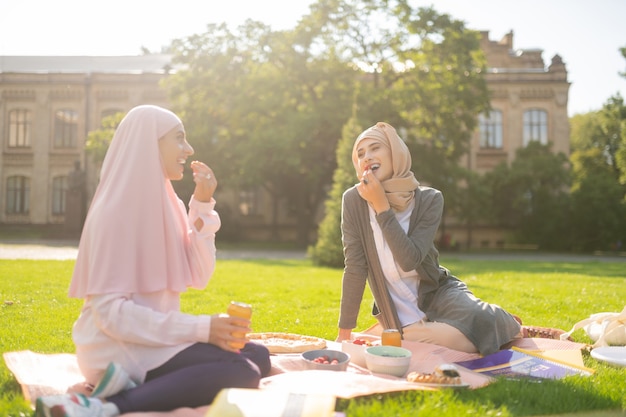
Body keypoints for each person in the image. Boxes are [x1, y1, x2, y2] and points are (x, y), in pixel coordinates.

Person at [35, 105, 271, 417]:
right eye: (179, 138)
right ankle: (102, 407)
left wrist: (201, 204)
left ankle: (139, 390)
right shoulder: (114, 212)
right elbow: (112, 317)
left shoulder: (168, 202)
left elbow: (199, 276)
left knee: (259, 355)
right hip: (114, 347)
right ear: (150, 143)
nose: (189, 149)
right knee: (241, 370)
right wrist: (203, 329)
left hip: (154, 340)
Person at [335, 121, 522, 355]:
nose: (366, 157)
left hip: (438, 293)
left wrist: (382, 206)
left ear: (395, 153)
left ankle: (502, 322)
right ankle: (483, 328)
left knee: (478, 317)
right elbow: (354, 267)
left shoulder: (429, 199)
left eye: (375, 148)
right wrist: (344, 335)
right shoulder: (353, 200)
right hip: (396, 308)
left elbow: (409, 260)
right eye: (360, 153)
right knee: (442, 339)